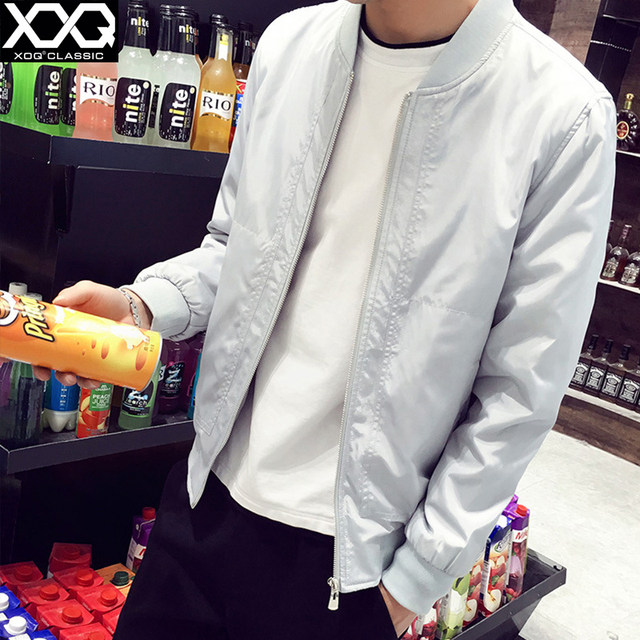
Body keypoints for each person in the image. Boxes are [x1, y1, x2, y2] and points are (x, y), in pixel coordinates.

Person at [22, 0, 616, 637]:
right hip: (204, 503)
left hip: (352, 568)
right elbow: (237, 247)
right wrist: (141, 306)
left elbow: (520, 392)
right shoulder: (290, 46)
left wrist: (414, 580)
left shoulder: (562, 113)